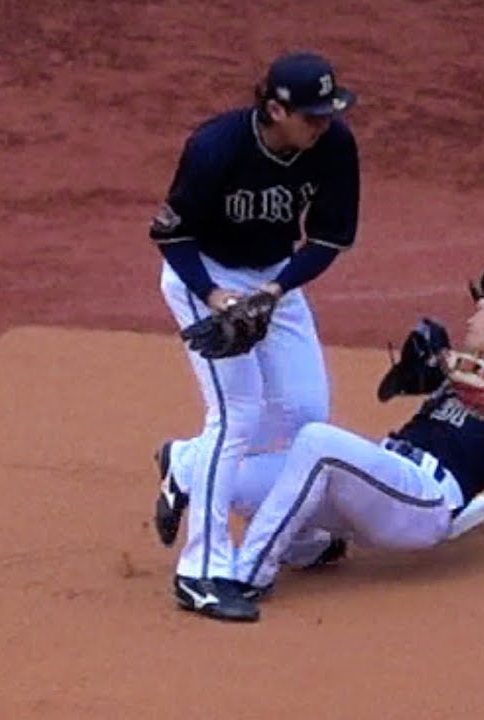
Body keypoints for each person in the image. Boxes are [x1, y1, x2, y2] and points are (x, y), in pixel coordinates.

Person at [224, 261, 484, 619]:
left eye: (480, 309)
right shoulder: (466, 371)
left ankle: (248, 577)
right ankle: (312, 548)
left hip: (424, 500)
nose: (470, 320)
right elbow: (394, 389)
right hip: (384, 485)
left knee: (316, 442)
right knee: (237, 480)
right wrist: (424, 369)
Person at [147, 50, 361, 621]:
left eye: (329, 112)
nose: (324, 124)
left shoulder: (334, 146)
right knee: (236, 414)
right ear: (275, 110)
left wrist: (274, 290)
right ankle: (200, 573)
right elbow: (172, 235)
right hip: (205, 274)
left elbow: (328, 238)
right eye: (312, 115)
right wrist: (216, 296)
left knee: (306, 413)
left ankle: (193, 470)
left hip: (273, 277)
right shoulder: (215, 146)